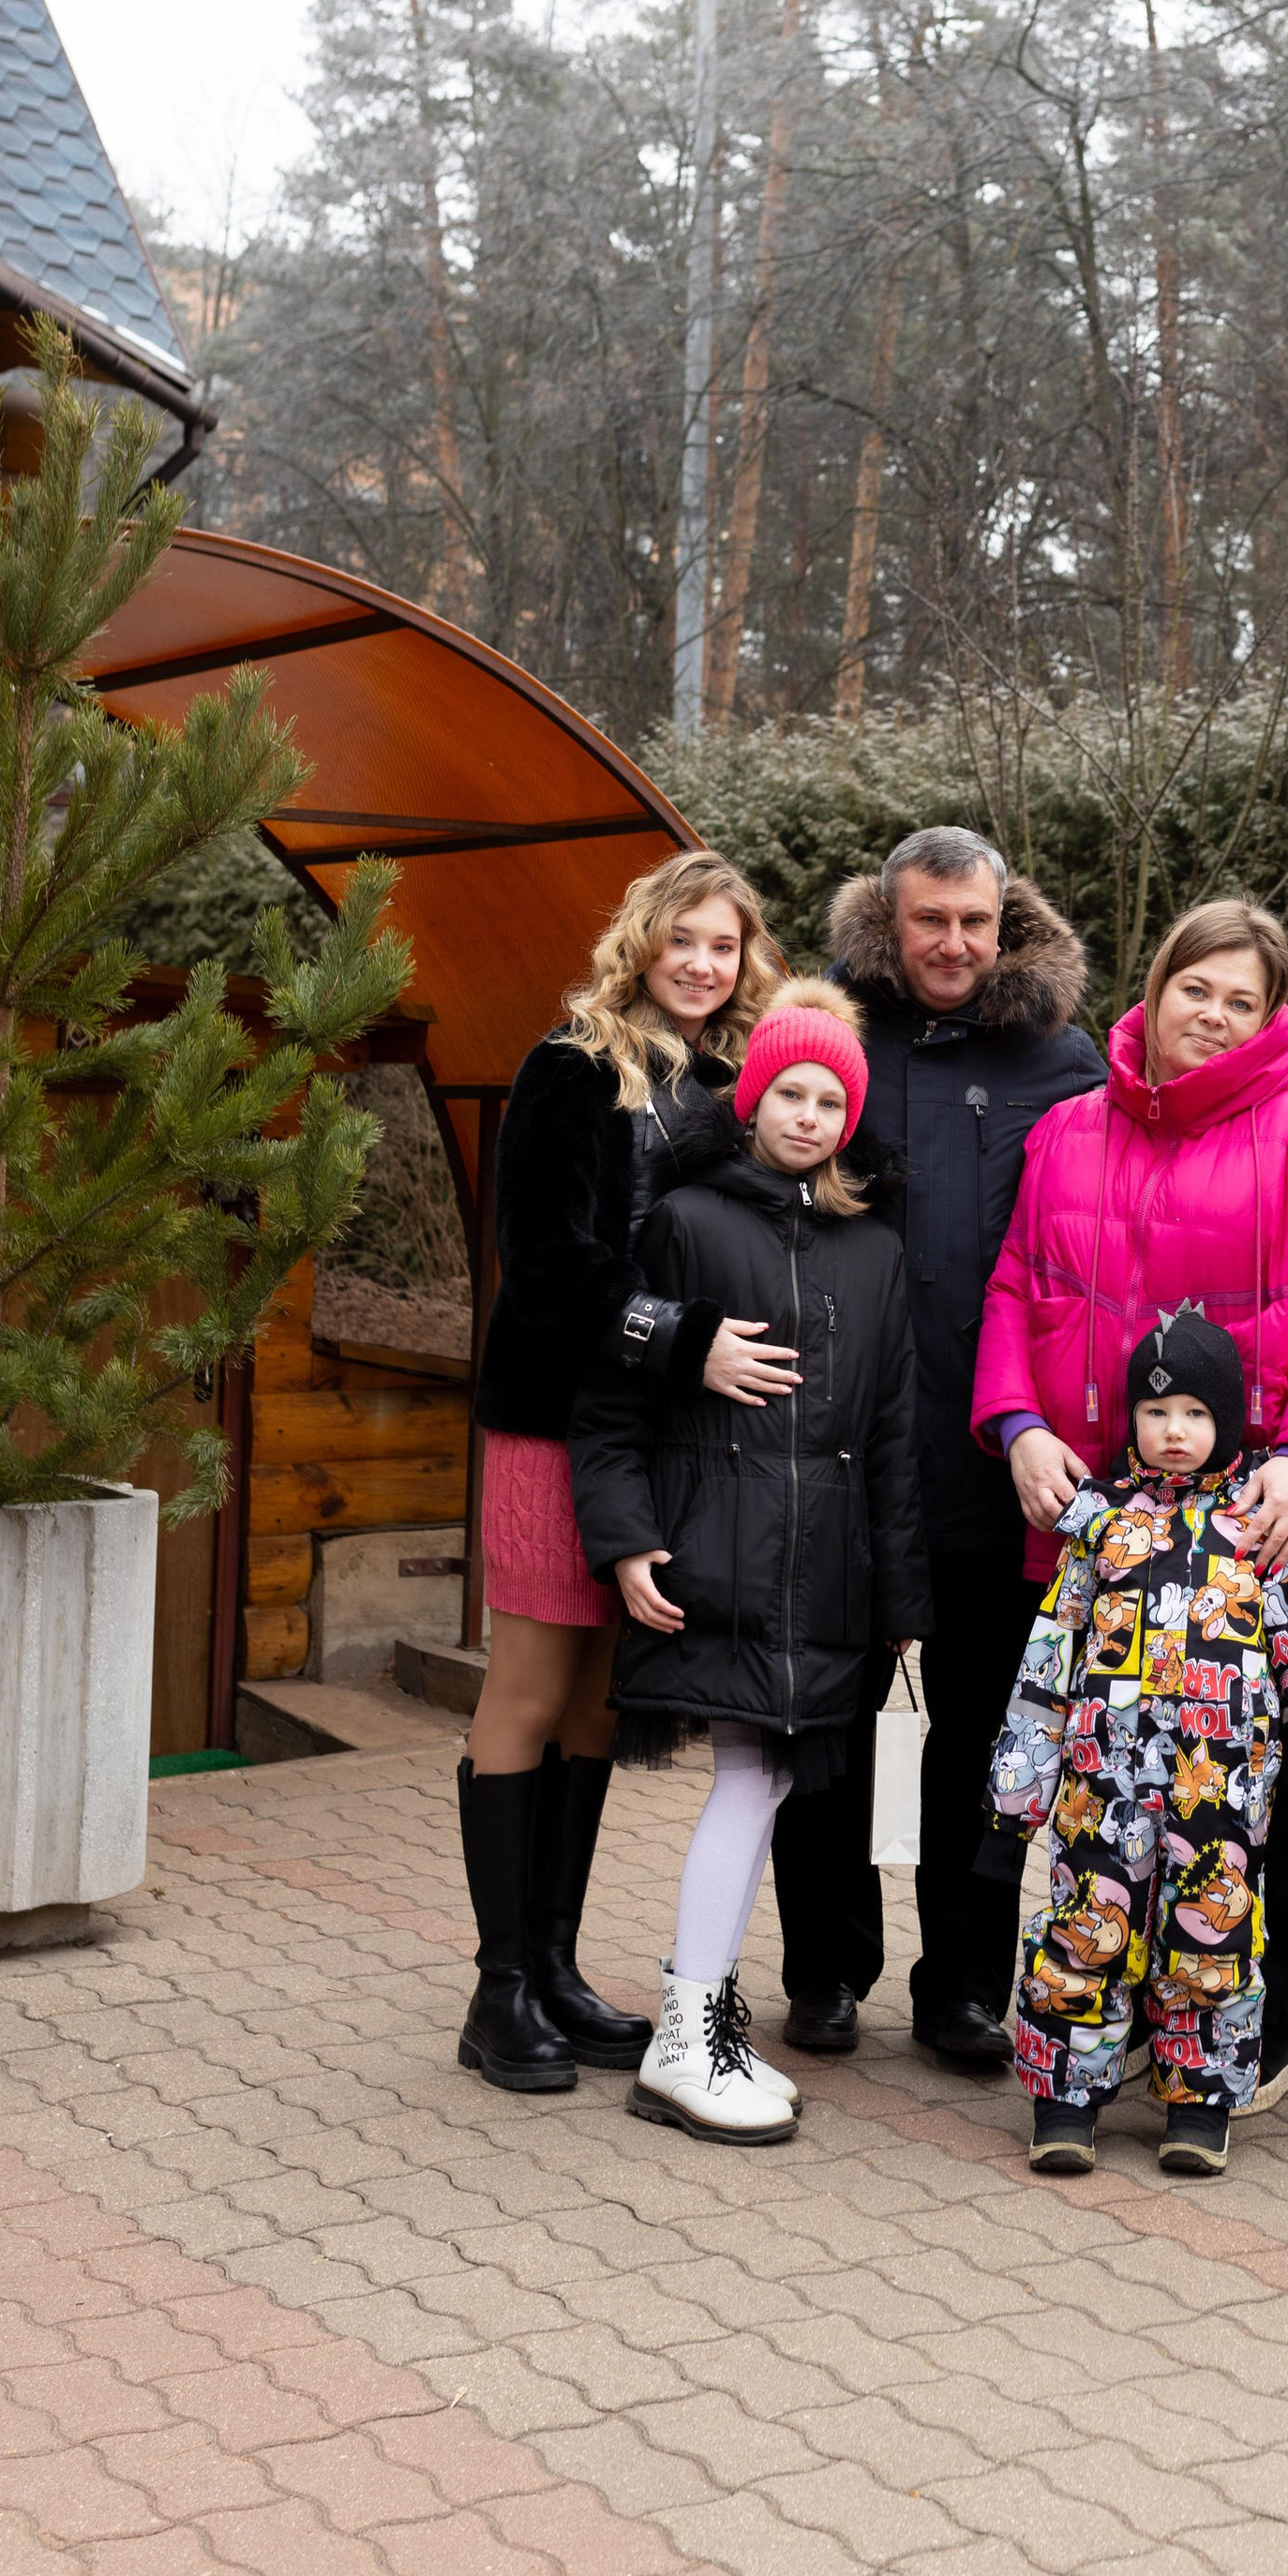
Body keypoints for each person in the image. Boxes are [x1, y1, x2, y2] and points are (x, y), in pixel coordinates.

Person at [972, 896, 1288, 2109]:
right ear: (1153, 991)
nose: (1211, 1016)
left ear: (1274, 1016)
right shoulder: (1066, 1132)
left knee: (1252, 1796)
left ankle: (1257, 2031)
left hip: (1258, 1530)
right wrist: (1019, 1428)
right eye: (1193, 989)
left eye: (1240, 1000)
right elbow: (1015, 1290)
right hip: (1104, 1527)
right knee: (1105, 1784)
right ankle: (1095, 2022)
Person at [565, 981, 931, 2143]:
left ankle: (704, 2025)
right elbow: (610, 1408)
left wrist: (900, 1597)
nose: (809, 1114)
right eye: (788, 1091)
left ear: (849, 1118)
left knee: (766, 1783)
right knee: (746, 1781)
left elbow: (890, 1437)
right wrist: (624, 1543)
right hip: (715, 1562)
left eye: (831, 1099)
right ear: (753, 1098)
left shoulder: (874, 1254)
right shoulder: (685, 1223)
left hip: (822, 1580)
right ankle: (687, 2037)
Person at [767, 829, 1102, 2073]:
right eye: (929, 923)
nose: (952, 946)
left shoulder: (1060, 1060)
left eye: (973, 922)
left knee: (982, 1742)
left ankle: (966, 1984)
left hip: (994, 1455)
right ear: (888, 924)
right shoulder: (828, 1035)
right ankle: (825, 1973)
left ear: (1004, 921)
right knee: (827, 1731)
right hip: (835, 1450)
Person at [456, 850, 790, 2094]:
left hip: (653, 1439)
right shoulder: (570, 1068)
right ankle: (497, 1994)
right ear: (642, 942)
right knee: (533, 1685)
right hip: (551, 1419)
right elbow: (546, 1265)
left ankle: (554, 1968)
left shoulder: (723, 1088)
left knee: (602, 1696)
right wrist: (682, 1338)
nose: (704, 965)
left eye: (726, 946)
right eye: (685, 940)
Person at [978, 1306, 1288, 2180]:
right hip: (1099, 1788)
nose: (1175, 1432)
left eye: (1195, 1413)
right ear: (1131, 1423)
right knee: (1085, 1932)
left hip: (1221, 1792)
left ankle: (1198, 2102)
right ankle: (1066, 2098)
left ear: (1226, 1419)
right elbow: (1049, 1661)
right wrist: (1014, 1797)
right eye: (1155, 1414)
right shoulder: (1099, 1528)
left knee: (1211, 1940)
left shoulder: (1260, 1528)